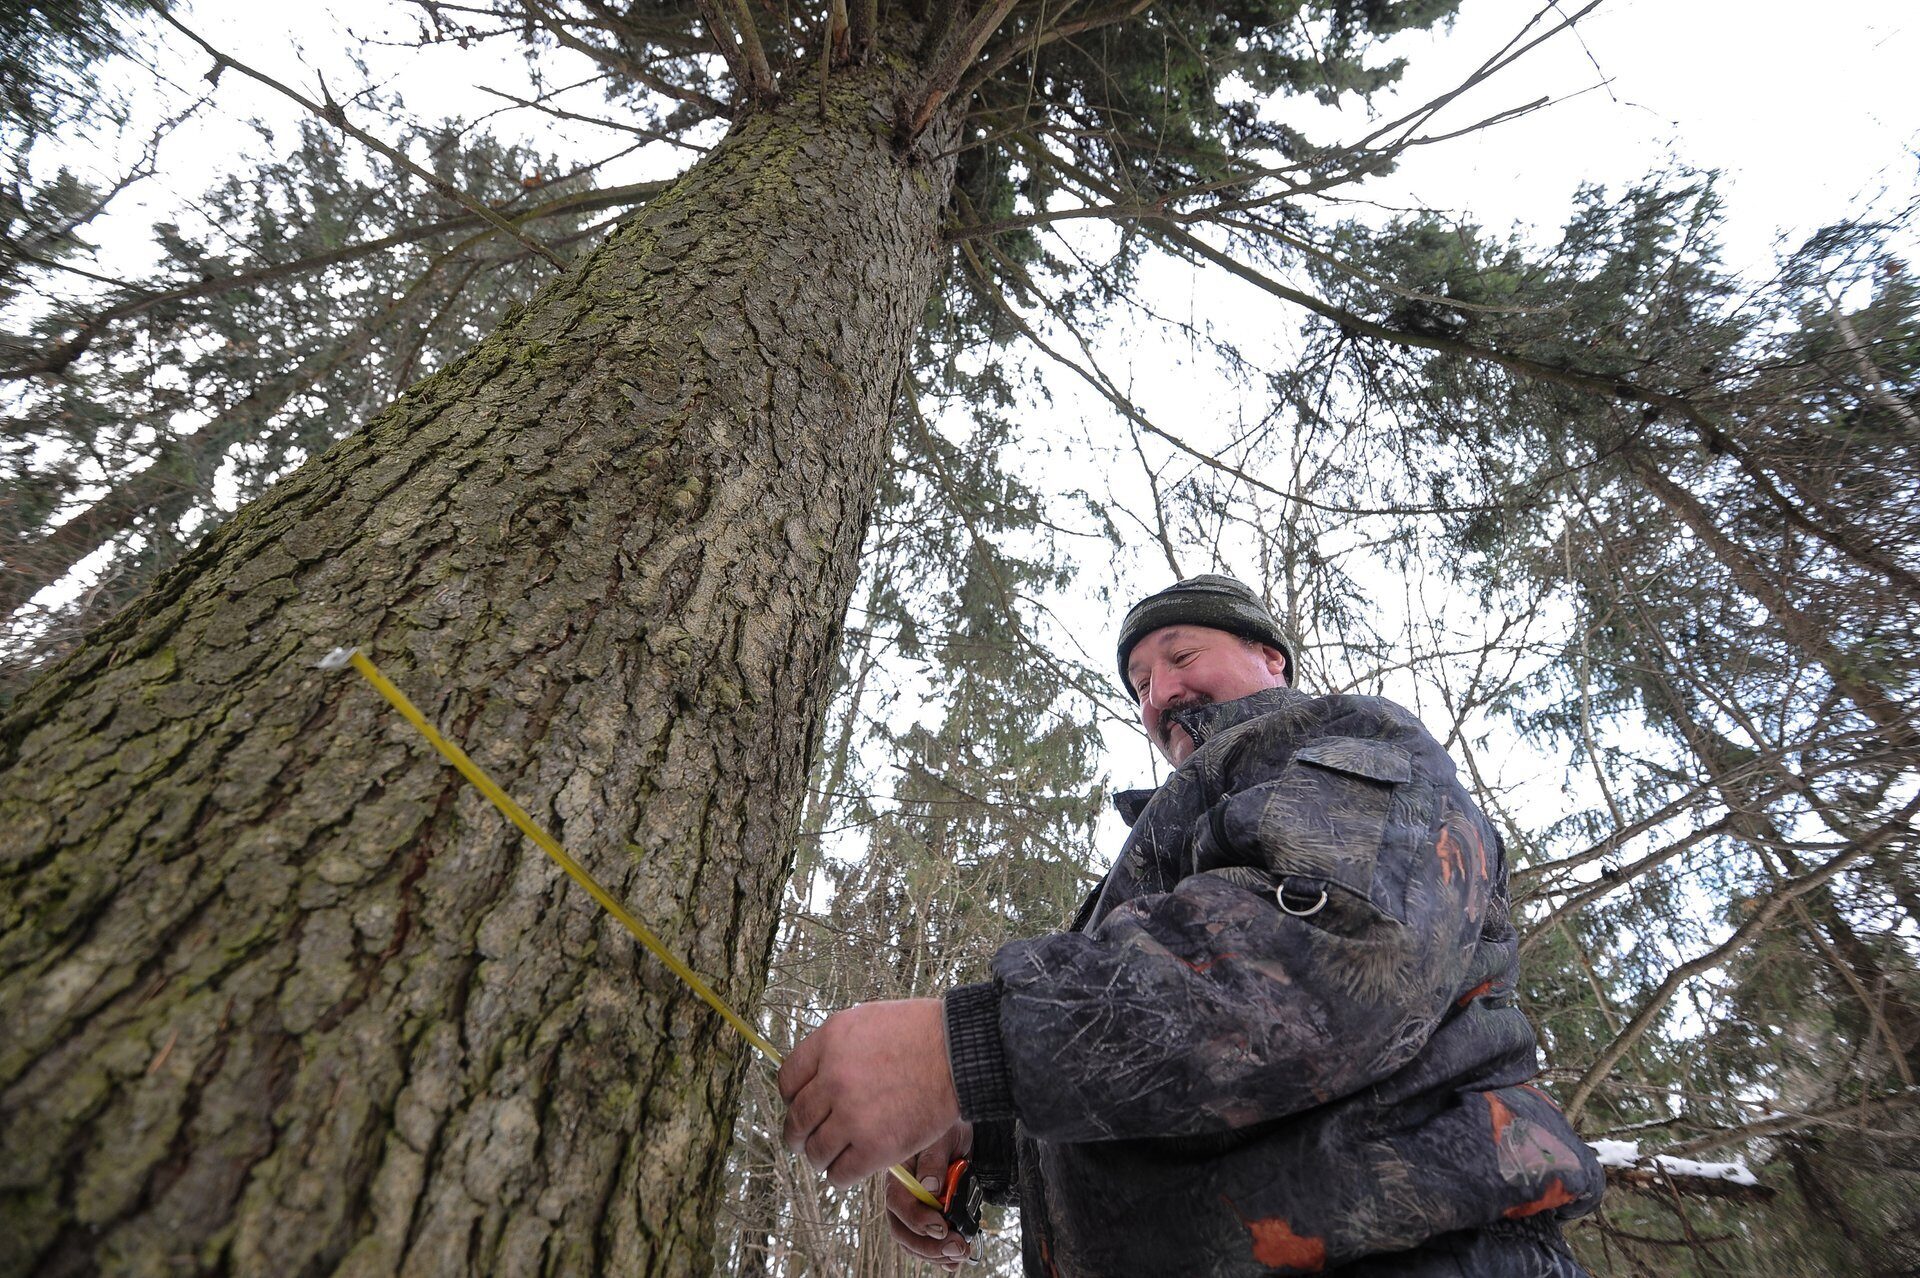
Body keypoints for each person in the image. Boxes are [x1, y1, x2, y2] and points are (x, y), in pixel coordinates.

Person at [778, 575, 1605, 1275]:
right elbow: (1195, 1074)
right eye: (1139, 683)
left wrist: (971, 1050)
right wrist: (986, 1130)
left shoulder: (1344, 739)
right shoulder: (1178, 835)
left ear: (1270, 658)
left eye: (1180, 657)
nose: (1159, 692)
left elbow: (1330, 963)